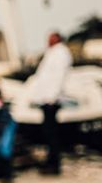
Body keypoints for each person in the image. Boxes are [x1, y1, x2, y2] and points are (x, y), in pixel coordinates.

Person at [28, 31, 72, 175]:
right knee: (48, 133)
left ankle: (54, 164)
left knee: (51, 133)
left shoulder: (60, 53)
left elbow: (58, 76)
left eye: (50, 38)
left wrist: (52, 97)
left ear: (57, 39)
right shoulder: (53, 53)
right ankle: (51, 161)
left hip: (51, 99)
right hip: (46, 98)